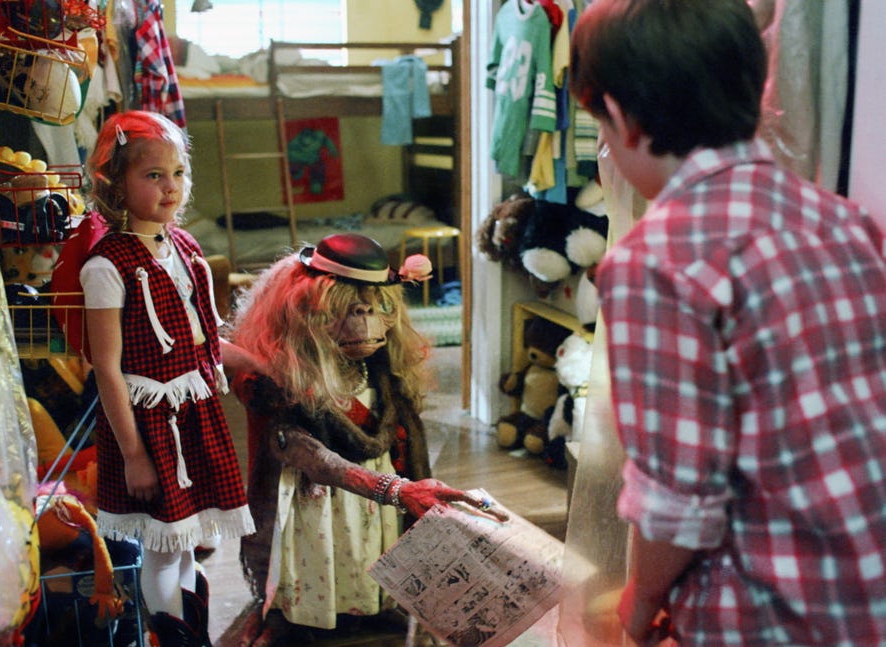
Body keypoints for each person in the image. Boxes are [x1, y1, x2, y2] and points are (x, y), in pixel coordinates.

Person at [569, 1, 886, 645]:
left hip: (769, 607)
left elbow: (677, 503)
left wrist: (638, 602)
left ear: (622, 118)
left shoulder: (656, 261)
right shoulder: (843, 221)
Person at [227, 233, 506, 644]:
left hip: (379, 500)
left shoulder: (382, 374)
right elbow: (312, 457)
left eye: (374, 309)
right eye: (344, 311)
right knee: (323, 556)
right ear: (307, 312)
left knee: (371, 549)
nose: (363, 323)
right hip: (318, 502)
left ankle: (372, 605)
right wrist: (397, 490)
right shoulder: (282, 388)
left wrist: (402, 489)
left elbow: (402, 439)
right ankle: (307, 615)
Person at [80, 110, 256, 645]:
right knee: (161, 547)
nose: (169, 188)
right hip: (149, 424)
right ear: (116, 184)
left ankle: (189, 633)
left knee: (186, 543)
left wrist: (263, 363)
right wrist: (134, 454)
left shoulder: (186, 251)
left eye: (177, 173)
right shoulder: (106, 266)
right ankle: (170, 638)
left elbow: (201, 339)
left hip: (194, 415)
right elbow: (106, 368)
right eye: (152, 175)